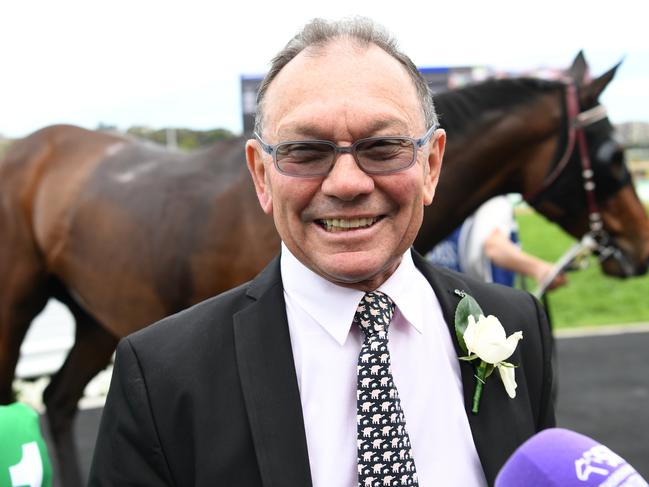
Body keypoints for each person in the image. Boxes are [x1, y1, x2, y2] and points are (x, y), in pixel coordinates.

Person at [88, 17, 555, 486]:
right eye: (306, 152)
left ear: (431, 165)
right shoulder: (161, 375)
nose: (348, 183)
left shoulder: (517, 327)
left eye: (383, 147)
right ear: (261, 175)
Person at [427, 195, 567, 290]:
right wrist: (539, 269)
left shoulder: (439, 197)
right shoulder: (495, 204)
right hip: (477, 311)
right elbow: (494, 247)